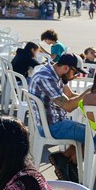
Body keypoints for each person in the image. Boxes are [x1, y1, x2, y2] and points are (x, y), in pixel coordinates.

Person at [28, 53, 85, 182]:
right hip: (52, 127)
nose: (75, 77)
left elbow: (69, 95)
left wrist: (90, 98)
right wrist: (87, 94)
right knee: (93, 136)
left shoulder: (53, 72)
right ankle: (70, 165)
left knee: (89, 133)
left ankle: (65, 160)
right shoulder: (46, 78)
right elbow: (68, 106)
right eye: (75, 73)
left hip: (52, 122)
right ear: (66, 68)